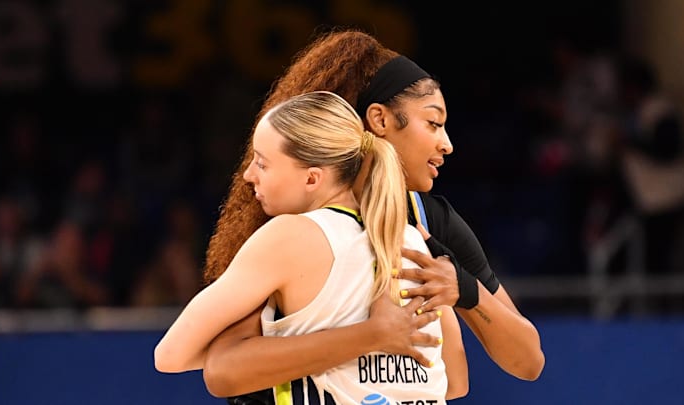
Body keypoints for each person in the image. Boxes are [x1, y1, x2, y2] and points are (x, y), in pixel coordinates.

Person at [200, 29, 545, 402]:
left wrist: (464, 289)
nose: (447, 144)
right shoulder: (298, 216)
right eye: (432, 123)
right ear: (379, 120)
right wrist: (367, 338)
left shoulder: (428, 223)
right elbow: (224, 371)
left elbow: (523, 363)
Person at [154, 90, 469, 404]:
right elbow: (454, 383)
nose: (249, 176)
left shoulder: (290, 235)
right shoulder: (412, 238)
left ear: (312, 179)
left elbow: (170, 355)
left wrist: (363, 337)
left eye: (262, 164)